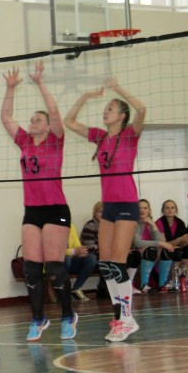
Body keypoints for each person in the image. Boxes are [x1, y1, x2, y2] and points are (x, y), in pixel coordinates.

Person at [64, 77, 146, 342]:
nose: (105, 111)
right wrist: (85, 97)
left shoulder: (129, 135)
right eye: (105, 108)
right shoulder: (100, 137)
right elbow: (69, 121)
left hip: (127, 203)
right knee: (106, 264)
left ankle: (126, 319)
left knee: (118, 263)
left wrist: (118, 88)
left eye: (110, 108)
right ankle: (122, 318)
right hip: (108, 205)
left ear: (122, 116)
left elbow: (142, 109)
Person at [1, 61, 77, 342]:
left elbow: (55, 113)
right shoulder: (24, 141)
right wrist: (10, 88)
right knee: (31, 268)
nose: (32, 122)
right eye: (31, 119)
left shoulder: (55, 141)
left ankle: (68, 316)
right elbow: (6, 117)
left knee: (54, 267)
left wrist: (40, 83)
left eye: (37, 120)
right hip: (32, 211)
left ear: (47, 126)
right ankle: (38, 319)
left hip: (55, 209)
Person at [133, 199, 174, 294]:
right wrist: (159, 243)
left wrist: (153, 225)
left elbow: (162, 242)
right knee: (151, 249)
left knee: (166, 250)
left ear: (149, 210)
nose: (142, 210)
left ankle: (162, 284)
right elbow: (137, 243)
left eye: (145, 208)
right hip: (134, 253)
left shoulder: (150, 223)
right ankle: (144, 285)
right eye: (139, 208)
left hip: (150, 254)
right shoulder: (134, 223)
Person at [155, 199, 188, 291]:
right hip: (161, 252)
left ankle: (183, 277)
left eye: (172, 208)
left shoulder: (180, 223)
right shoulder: (159, 223)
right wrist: (180, 239)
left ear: (176, 210)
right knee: (176, 251)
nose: (170, 210)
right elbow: (164, 244)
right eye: (167, 208)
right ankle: (173, 280)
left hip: (176, 248)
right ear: (163, 210)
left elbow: (183, 241)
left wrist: (186, 240)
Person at [64, 223, 97, 301]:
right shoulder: (51, 227)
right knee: (66, 258)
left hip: (72, 261)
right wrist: (73, 251)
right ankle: (64, 291)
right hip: (56, 264)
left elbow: (77, 246)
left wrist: (81, 251)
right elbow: (56, 251)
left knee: (91, 258)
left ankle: (76, 289)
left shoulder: (71, 226)